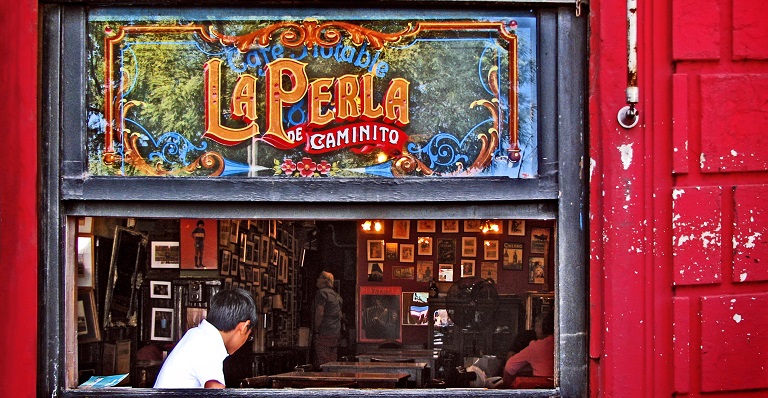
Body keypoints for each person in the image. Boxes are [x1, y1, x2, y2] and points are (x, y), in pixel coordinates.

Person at [154, 288, 257, 388]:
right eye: (249, 337)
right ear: (243, 327)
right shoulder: (207, 342)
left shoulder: (197, 335)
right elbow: (215, 388)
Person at [502, 311, 554, 387]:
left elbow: (509, 367)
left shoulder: (537, 346)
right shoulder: (566, 343)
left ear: (542, 327)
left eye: (537, 325)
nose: (535, 329)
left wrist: (507, 388)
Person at [312, 271, 343, 369]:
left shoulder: (322, 294)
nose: (317, 280)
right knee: (332, 361)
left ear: (324, 281)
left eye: (319, 278)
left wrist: (316, 330)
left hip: (324, 332)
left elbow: (319, 313)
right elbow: (340, 314)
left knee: (323, 361)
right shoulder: (336, 296)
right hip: (335, 332)